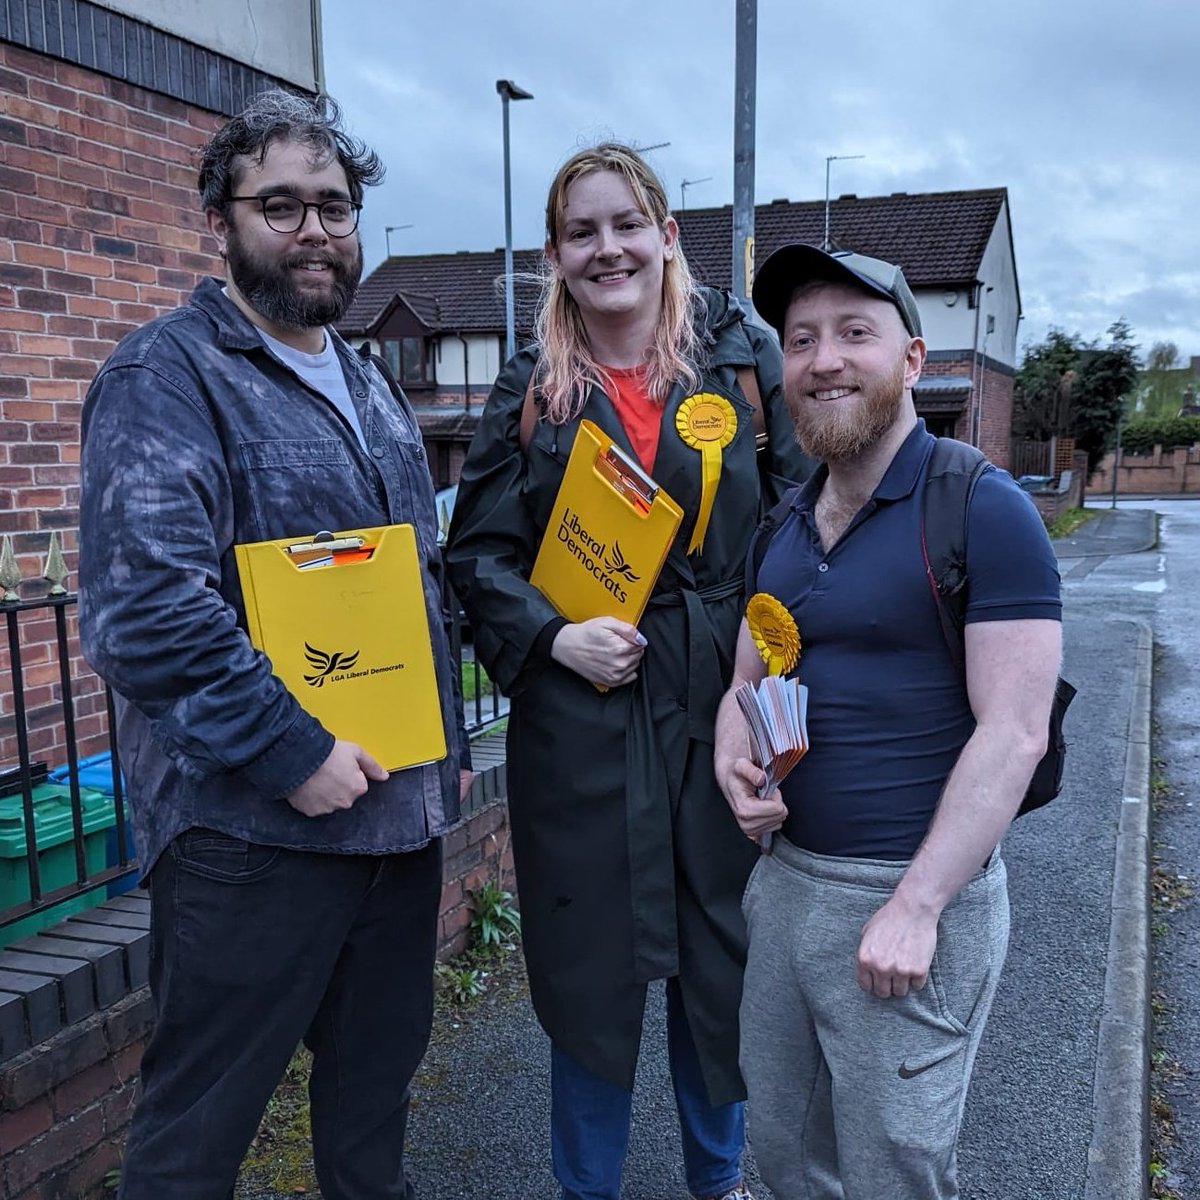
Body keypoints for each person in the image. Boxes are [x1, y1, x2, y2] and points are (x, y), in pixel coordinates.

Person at [78, 89, 471, 1200]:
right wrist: (291, 752)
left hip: (397, 821)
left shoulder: (371, 385)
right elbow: (143, 608)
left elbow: (415, 579)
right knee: (198, 1134)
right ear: (221, 220)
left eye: (335, 208)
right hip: (251, 834)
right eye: (281, 206)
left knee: (369, 1112)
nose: (313, 232)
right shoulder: (166, 377)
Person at [445, 143, 812, 1200]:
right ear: (555, 255)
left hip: (719, 706)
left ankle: (721, 1184)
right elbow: (476, 553)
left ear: (664, 235)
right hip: (584, 715)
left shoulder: (744, 362)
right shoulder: (532, 387)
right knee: (590, 978)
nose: (606, 248)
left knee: (721, 965)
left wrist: (768, 679)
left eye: (623, 224)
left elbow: (801, 531)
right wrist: (555, 636)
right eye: (580, 231)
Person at [713, 244, 1063, 1200]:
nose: (824, 359)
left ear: (912, 360)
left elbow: (1017, 731)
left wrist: (916, 906)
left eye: (854, 334)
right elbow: (748, 677)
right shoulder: (783, 525)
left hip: (912, 900)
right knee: (784, 1154)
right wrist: (730, 758)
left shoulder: (981, 507)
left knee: (891, 1172)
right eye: (801, 340)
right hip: (787, 891)